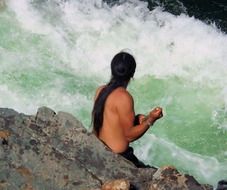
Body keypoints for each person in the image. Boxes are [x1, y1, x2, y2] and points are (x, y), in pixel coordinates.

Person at [92, 51, 163, 168]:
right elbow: (129, 136)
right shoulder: (124, 97)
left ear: (112, 69)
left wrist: (139, 120)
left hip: (100, 148)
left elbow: (111, 123)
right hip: (118, 157)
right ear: (132, 73)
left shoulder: (101, 90)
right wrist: (150, 120)